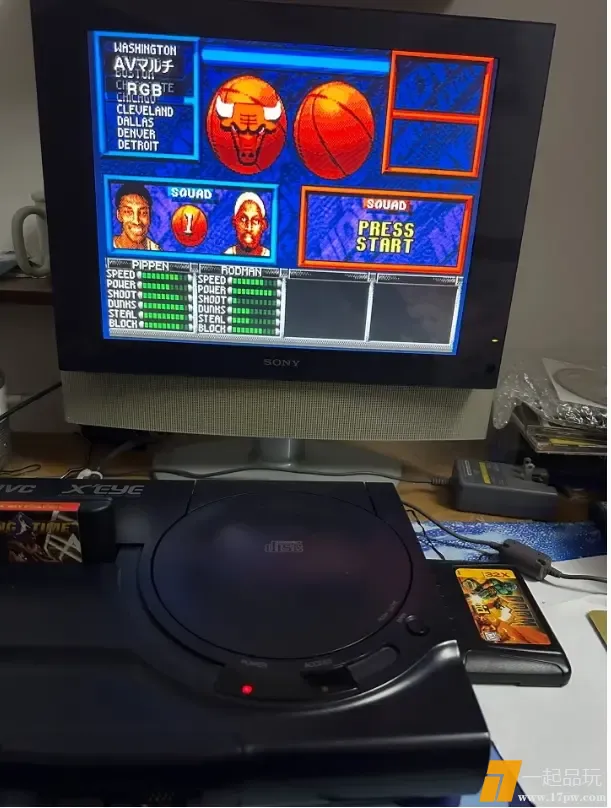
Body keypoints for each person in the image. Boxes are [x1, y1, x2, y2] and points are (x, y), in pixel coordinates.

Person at [113, 182, 160, 251]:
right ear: (119, 215)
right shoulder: (105, 246)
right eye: (128, 212)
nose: (136, 221)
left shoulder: (156, 251)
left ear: (149, 216)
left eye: (143, 213)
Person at [224, 192, 270, 257]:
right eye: (243, 219)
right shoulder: (226, 256)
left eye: (255, 221)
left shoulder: (270, 256)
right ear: (234, 222)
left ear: (263, 225)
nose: (248, 228)